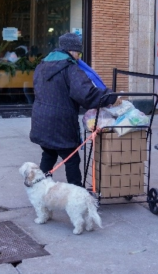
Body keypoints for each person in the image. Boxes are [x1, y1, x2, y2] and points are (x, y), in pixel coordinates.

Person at [30, 33, 118, 186]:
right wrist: (110, 96)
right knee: (71, 158)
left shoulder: (41, 65)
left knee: (49, 154)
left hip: (41, 120)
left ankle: (40, 190)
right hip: (61, 122)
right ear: (71, 50)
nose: (79, 57)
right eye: (78, 53)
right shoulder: (70, 68)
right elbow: (86, 94)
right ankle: (77, 194)